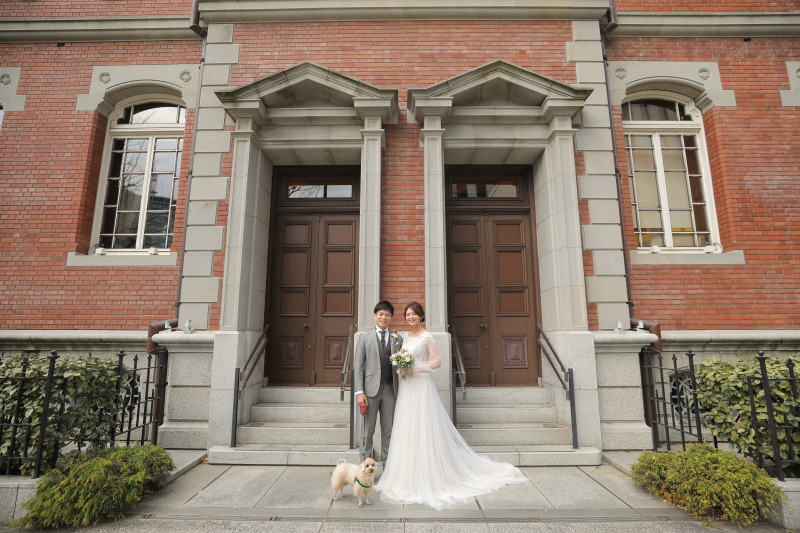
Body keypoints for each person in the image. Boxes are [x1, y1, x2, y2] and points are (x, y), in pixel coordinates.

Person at [375, 301, 528, 510]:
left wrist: (415, 369)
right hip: (407, 388)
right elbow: (402, 359)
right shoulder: (404, 337)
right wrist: (402, 367)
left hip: (421, 386)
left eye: (414, 314)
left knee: (424, 427)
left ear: (421, 316)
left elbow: (437, 361)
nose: (410, 317)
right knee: (407, 428)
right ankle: (405, 476)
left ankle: (430, 475)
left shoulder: (427, 336)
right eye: (408, 314)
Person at [353, 300, 402, 464]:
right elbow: (358, 366)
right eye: (381, 314)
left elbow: (400, 363)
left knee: (388, 430)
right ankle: (364, 467)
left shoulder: (397, 338)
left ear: (391, 317)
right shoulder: (364, 338)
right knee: (368, 431)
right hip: (369, 392)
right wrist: (359, 392)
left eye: (387, 314)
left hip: (390, 390)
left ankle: (388, 468)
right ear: (375, 316)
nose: (384, 317)